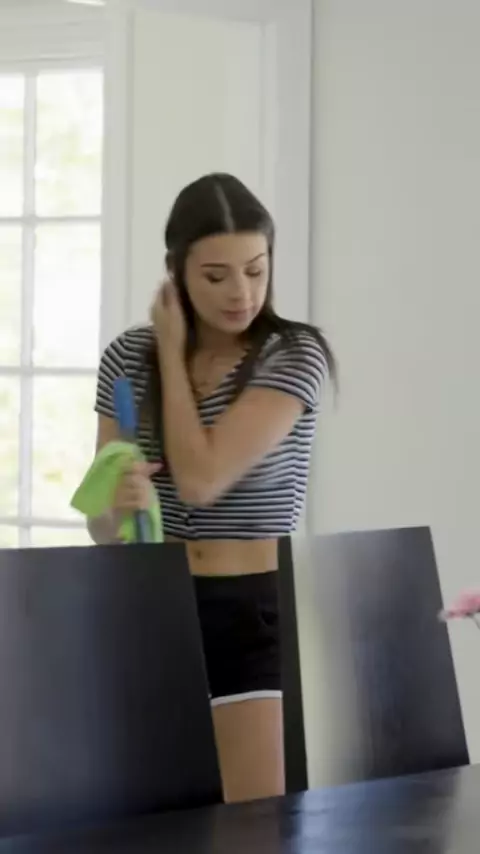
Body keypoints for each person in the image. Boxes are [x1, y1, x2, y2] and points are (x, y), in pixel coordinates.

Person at [88, 173, 336, 804]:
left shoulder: (292, 354)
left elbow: (200, 479)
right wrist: (116, 506)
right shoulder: (126, 357)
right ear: (176, 272)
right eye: (216, 275)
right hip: (151, 602)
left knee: (251, 826)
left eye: (256, 270)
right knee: (149, 822)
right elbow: (101, 526)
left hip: (253, 610)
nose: (241, 293)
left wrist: (171, 355)